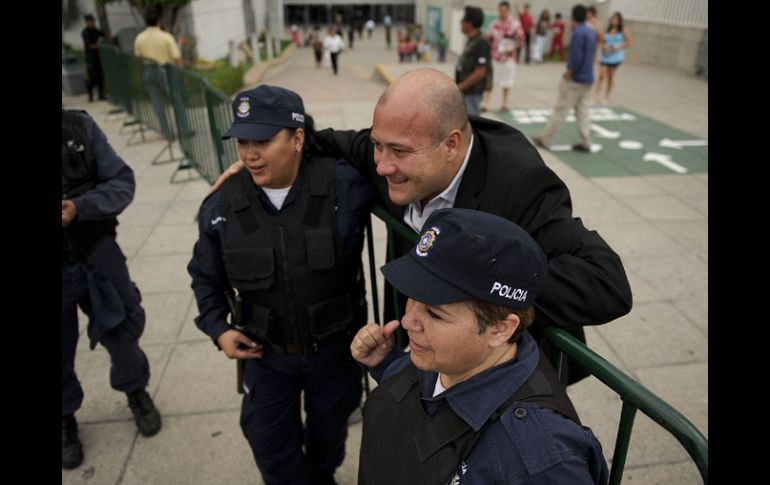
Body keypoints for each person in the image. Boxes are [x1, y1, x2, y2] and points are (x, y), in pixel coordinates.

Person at [211, 67, 633, 385]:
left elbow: (607, 284)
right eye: (378, 145)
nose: (381, 164)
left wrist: (476, 279)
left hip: (497, 380)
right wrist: (264, 158)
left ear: (451, 144)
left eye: (397, 150)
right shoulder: (392, 155)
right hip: (422, 358)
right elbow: (337, 140)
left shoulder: (519, 184)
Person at [187, 85, 376, 485]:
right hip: (266, 357)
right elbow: (204, 277)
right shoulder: (222, 205)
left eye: (263, 140)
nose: (250, 154)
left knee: (330, 439)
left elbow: (392, 156)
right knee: (270, 445)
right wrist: (218, 329)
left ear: (297, 139)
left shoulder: (346, 185)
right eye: (242, 141)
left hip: (334, 354)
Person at [351, 208, 610, 484]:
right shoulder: (450, 357)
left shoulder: (541, 459)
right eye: (412, 298)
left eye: (435, 314)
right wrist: (384, 363)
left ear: (499, 329)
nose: (407, 320)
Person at [62, 109, 162, 470]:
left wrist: (78, 208)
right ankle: (64, 419)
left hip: (96, 252)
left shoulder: (78, 125)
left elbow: (122, 183)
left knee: (122, 329)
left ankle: (135, 391)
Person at [532, 5, 597, 153]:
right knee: (583, 110)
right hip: (588, 77)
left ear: (573, 17)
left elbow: (576, 56)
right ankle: (585, 140)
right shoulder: (591, 31)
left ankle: (546, 138)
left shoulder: (578, 33)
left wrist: (569, 72)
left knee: (561, 108)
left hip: (575, 79)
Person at [133, 8, 182, 137]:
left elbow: (138, 59)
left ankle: (166, 132)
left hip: (148, 71)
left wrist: (140, 74)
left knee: (157, 103)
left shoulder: (139, 38)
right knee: (176, 100)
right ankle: (183, 130)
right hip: (165, 71)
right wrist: (180, 72)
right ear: (158, 21)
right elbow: (176, 58)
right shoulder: (166, 37)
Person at [485, 1, 524, 112]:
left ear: (508, 10)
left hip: (508, 58)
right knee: (491, 81)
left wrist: (513, 48)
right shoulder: (493, 25)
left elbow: (521, 39)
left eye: (504, 10)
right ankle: (486, 104)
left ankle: (504, 104)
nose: (502, 13)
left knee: (507, 82)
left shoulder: (515, 24)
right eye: (500, 10)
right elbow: (489, 39)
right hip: (495, 58)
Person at [456, 6, 491, 116]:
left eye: (462, 20)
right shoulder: (472, 41)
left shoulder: (481, 43)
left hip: (471, 94)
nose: (460, 23)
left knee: (472, 126)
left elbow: (480, 72)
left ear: (470, 23)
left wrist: (460, 87)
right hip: (466, 93)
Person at [592, 12, 632, 105]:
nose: (614, 21)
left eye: (617, 19)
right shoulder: (608, 30)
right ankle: (595, 96)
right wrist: (604, 46)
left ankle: (606, 96)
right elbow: (602, 41)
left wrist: (618, 47)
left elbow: (629, 43)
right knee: (601, 75)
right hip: (606, 55)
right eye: (613, 19)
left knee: (610, 76)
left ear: (620, 21)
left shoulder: (623, 30)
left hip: (615, 57)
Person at [81, 14, 107, 102]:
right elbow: (90, 45)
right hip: (90, 58)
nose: (91, 23)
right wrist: (98, 46)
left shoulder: (97, 31)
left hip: (98, 57)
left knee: (100, 76)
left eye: (92, 21)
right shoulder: (85, 32)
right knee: (92, 77)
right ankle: (90, 94)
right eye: (90, 22)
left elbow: (105, 37)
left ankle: (101, 94)